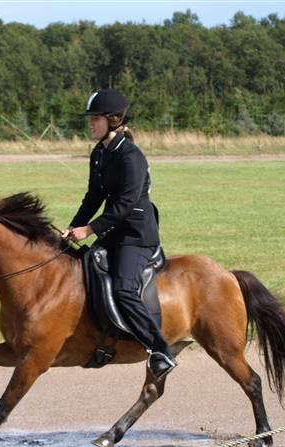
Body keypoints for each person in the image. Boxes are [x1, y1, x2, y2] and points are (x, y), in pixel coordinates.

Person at [61, 89, 177, 379]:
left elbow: (125, 204)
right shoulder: (100, 153)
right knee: (83, 269)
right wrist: (73, 226)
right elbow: (93, 196)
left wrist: (88, 229)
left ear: (114, 120)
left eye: (95, 119)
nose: (90, 125)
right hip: (113, 231)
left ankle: (159, 348)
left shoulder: (131, 156)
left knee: (125, 288)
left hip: (136, 235)